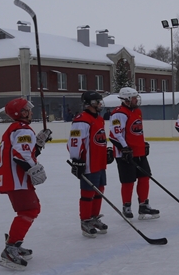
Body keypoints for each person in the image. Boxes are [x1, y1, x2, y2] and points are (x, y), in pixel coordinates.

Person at [0, 97, 52, 270]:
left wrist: (39, 144)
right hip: (17, 179)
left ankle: (15, 242)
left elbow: (25, 151)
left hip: (12, 179)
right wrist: (34, 169)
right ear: (20, 113)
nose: (31, 111)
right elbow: (21, 155)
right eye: (27, 109)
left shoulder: (16, 129)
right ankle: (11, 248)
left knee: (27, 210)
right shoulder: (22, 130)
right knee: (30, 209)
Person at [109, 87, 159, 220]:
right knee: (128, 181)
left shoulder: (137, 111)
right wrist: (124, 148)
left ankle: (143, 205)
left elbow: (136, 132)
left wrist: (143, 144)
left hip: (139, 152)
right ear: (126, 100)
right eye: (134, 98)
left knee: (145, 177)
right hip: (125, 154)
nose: (137, 100)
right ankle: (127, 206)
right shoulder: (119, 113)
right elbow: (115, 134)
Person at [68, 91, 112, 238]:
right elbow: (74, 141)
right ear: (90, 104)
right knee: (88, 192)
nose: (100, 104)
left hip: (99, 162)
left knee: (99, 189)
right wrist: (77, 160)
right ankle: (85, 220)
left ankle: (94, 217)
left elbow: (99, 139)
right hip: (88, 163)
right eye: (97, 101)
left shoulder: (99, 119)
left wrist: (106, 152)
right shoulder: (82, 120)